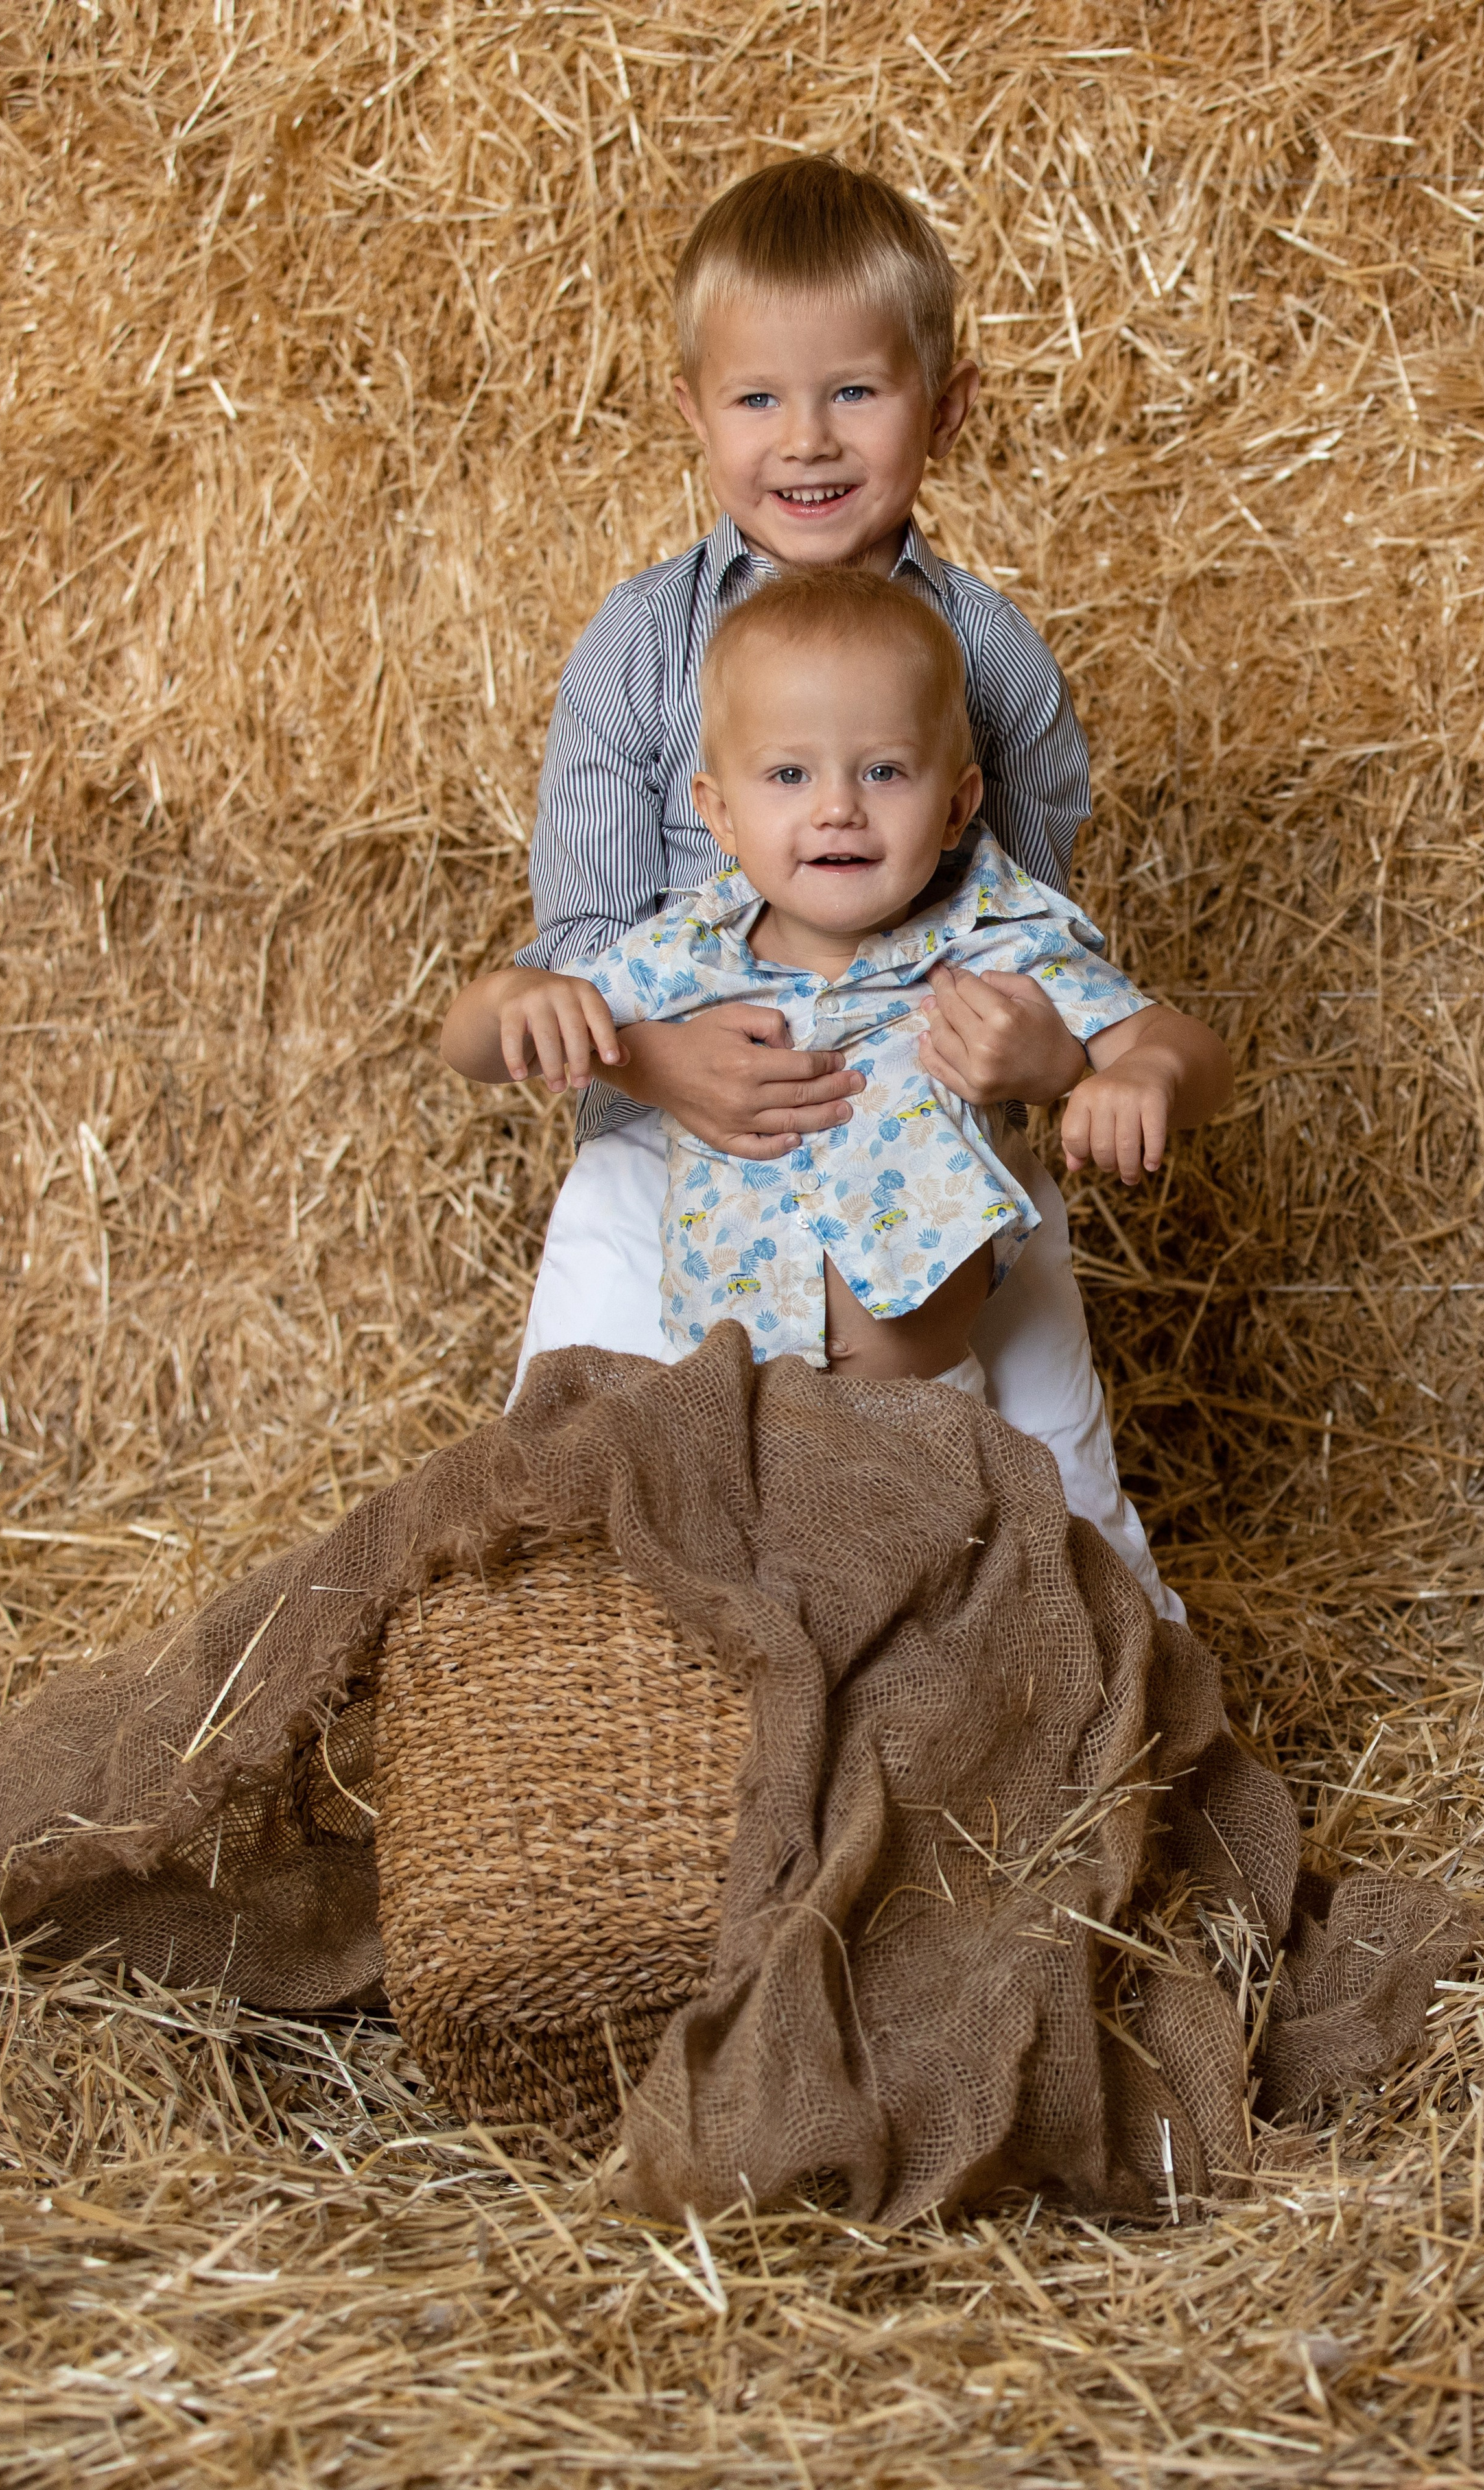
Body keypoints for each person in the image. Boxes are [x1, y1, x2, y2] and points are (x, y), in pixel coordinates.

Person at [442, 154, 1216, 1619]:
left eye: (855, 393)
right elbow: (574, 954)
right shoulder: (636, 651)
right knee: (580, 1496)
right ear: (693, 414)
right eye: (756, 401)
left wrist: (1049, 1064)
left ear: (946, 405)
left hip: (931, 1178)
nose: (806, 439)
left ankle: (1127, 1760)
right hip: (673, 1155)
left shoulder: (994, 665)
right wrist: (663, 1065)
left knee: (1062, 1508)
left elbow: (1013, 931)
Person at [445, 571, 1232, 1419]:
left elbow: (1193, 1056)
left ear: (958, 805)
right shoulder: (693, 952)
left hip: (920, 1419)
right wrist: (517, 999)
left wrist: (1137, 1076)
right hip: (719, 1417)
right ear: (719, 814)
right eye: (788, 775)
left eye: (885, 771)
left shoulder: (991, 940)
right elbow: (473, 1049)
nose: (837, 809)